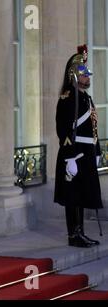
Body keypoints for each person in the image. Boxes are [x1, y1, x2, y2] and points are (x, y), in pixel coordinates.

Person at [54, 45, 102, 248]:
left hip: (87, 152)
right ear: (73, 75)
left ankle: (80, 232)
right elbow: (64, 130)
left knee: (83, 195)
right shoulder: (68, 98)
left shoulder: (85, 98)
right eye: (83, 74)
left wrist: (97, 150)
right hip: (74, 154)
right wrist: (70, 158)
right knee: (73, 196)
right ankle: (73, 234)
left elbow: (93, 127)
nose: (87, 77)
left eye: (87, 74)